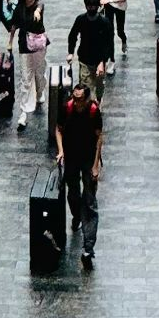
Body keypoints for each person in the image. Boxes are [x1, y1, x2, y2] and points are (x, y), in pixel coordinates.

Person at [53, 76, 103, 269]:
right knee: (73, 194)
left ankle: (88, 248)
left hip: (88, 158)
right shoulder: (67, 108)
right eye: (75, 98)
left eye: (80, 99)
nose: (77, 102)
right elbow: (59, 130)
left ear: (87, 99)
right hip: (72, 158)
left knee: (89, 203)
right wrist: (61, 151)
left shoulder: (93, 111)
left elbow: (99, 137)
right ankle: (76, 215)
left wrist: (96, 164)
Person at [5, 0, 47, 132]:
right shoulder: (19, 8)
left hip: (38, 44)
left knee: (39, 73)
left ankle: (40, 91)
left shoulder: (39, 4)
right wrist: (10, 42)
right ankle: (24, 112)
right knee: (26, 78)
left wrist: (37, 12)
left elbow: (40, 6)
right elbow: (14, 26)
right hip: (24, 44)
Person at [67, 0, 116, 103]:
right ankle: (90, 106)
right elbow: (73, 35)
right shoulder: (81, 19)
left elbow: (108, 43)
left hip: (99, 60)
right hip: (85, 58)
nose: (91, 9)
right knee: (86, 87)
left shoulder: (104, 23)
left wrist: (103, 61)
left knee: (99, 86)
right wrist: (71, 52)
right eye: (89, 6)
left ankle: (97, 100)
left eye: (93, 6)